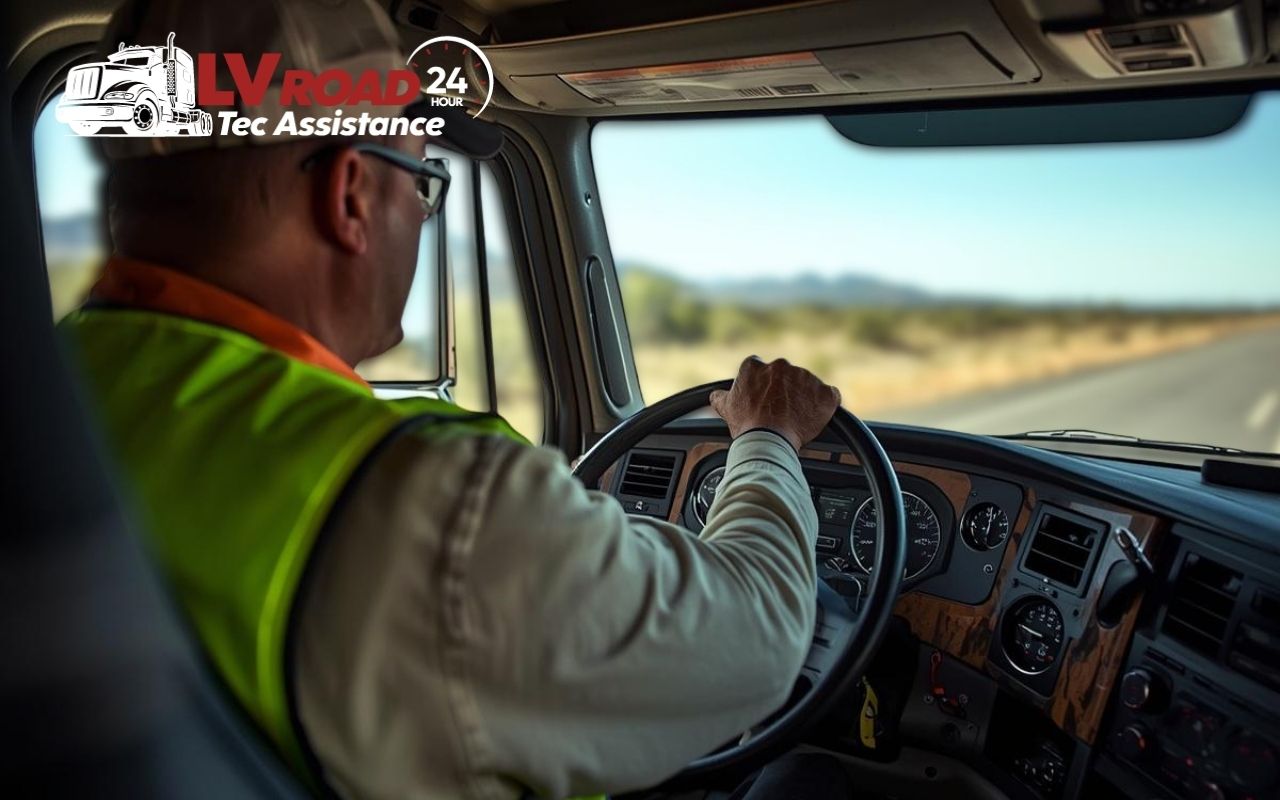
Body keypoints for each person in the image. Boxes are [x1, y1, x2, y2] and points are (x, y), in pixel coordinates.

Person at [59, 1, 846, 798]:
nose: (421, 214)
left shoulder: (46, 390)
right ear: (352, 196)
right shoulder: (438, 510)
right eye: (424, 183)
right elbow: (759, 632)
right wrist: (769, 436)